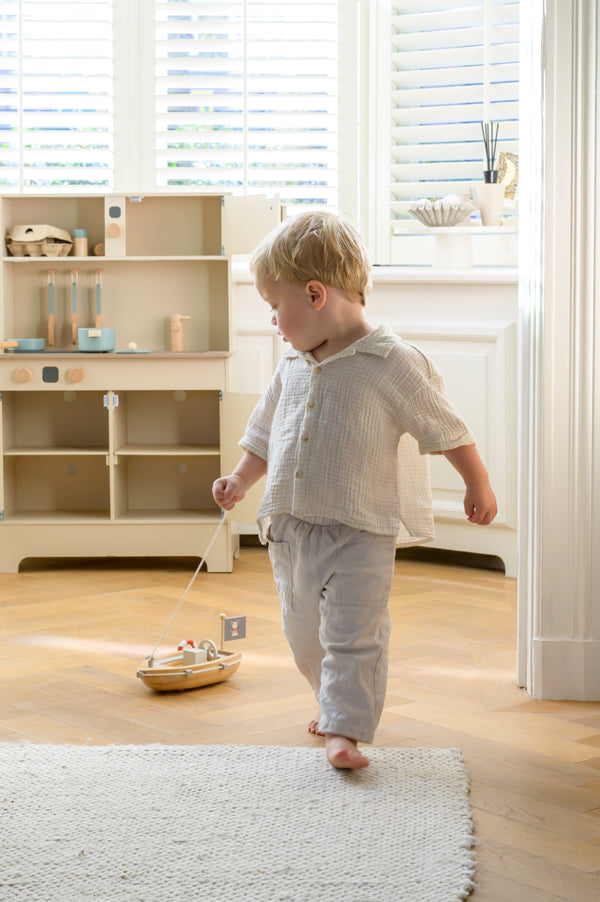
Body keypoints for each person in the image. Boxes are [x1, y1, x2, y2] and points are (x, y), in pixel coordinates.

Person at [212, 211, 497, 770]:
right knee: (303, 635)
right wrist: (241, 479)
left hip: (361, 529)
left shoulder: (392, 362)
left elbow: (444, 427)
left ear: (315, 294)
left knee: (352, 632)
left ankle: (346, 729)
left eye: (276, 307)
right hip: (293, 529)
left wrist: (477, 481)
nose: (272, 321)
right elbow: (266, 431)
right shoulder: (293, 363)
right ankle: (331, 699)